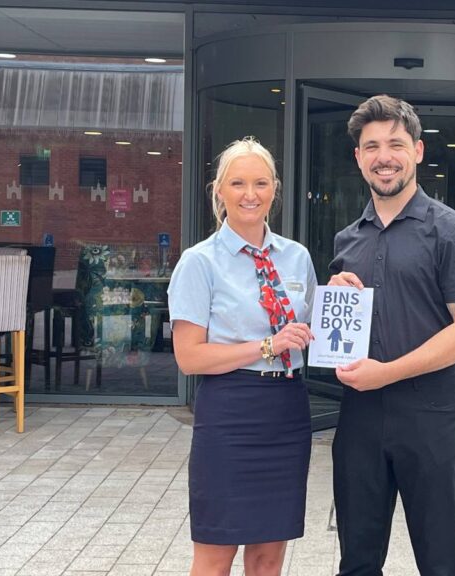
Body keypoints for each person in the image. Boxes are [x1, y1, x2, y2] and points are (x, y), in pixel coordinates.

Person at [328, 95, 455, 576]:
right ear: (358, 157)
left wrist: (388, 374)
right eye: (372, 145)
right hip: (359, 420)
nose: (384, 156)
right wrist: (335, 298)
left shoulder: (453, 233)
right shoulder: (347, 240)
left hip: (431, 419)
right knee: (356, 562)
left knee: (441, 562)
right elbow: (340, 333)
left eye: (395, 144)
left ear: (418, 151)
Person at [168, 138, 317, 576]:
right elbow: (189, 358)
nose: (250, 193)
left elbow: (308, 335)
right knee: (215, 555)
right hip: (230, 413)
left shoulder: (297, 257)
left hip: (287, 412)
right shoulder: (199, 263)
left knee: (269, 555)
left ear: (275, 189)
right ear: (219, 190)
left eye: (260, 182)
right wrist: (267, 346)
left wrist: (341, 297)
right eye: (237, 183)